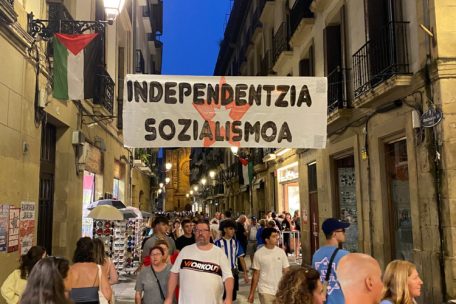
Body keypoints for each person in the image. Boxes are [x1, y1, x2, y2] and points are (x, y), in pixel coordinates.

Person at [164, 219, 234, 304]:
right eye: (197, 230)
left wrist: (229, 297)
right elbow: (174, 274)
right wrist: (169, 297)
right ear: (194, 233)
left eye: (204, 230)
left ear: (209, 233)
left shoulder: (219, 253)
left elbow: (228, 277)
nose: (200, 233)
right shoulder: (185, 251)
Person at [311, 218, 350, 304]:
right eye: (342, 230)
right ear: (334, 234)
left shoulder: (316, 255)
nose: (344, 233)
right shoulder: (345, 255)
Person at [248, 227, 290, 304]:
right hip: (265, 290)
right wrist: (252, 293)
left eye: (277, 236)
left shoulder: (281, 252)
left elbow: (286, 271)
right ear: (267, 240)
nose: (277, 238)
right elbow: (256, 274)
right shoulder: (258, 254)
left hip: (280, 290)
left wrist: (289, 288)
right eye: (274, 236)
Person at [66, 237, 112, 304]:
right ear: (92, 251)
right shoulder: (99, 269)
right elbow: (107, 294)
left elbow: (65, 293)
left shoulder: (70, 269)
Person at [214, 219, 249, 301]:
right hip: (221, 273)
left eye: (234, 229)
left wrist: (245, 273)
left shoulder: (236, 243)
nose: (233, 231)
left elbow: (241, 258)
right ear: (224, 229)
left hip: (233, 272)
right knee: (222, 295)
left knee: (232, 297)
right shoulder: (217, 244)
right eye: (231, 228)